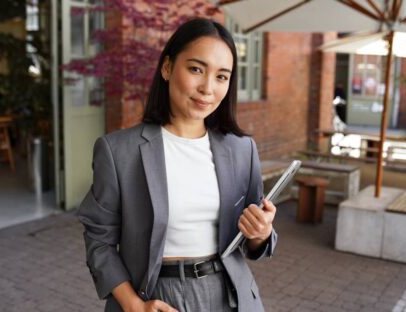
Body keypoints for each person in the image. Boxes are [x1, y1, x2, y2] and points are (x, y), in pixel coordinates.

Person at [77, 18, 278, 312]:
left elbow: (252, 244)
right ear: (168, 67)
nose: (208, 88)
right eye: (196, 69)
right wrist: (133, 305)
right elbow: (99, 241)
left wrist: (260, 234)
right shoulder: (118, 151)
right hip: (153, 295)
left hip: (229, 295)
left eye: (222, 76)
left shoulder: (242, 150)